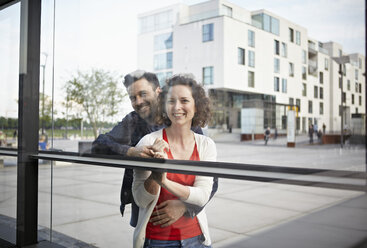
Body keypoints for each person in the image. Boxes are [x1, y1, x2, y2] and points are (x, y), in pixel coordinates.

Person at [91, 70, 217, 228]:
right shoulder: (133, 121)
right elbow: (98, 145)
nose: (138, 101)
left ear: (159, 92)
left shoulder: (187, 123)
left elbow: (212, 182)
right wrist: (131, 152)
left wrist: (184, 206)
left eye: (143, 94)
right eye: (132, 97)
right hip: (146, 216)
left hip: (187, 221)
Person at [132, 75, 215, 248]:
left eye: (184, 100)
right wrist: (155, 175)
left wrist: (165, 182)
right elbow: (140, 200)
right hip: (156, 241)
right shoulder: (148, 142)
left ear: (196, 105)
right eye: (171, 101)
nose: (177, 107)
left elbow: (203, 195)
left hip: (196, 240)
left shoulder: (206, 145)